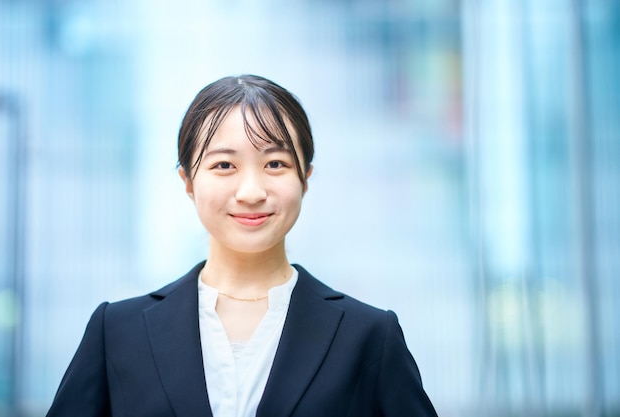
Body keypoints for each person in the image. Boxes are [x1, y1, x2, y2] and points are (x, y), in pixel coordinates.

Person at [46, 75, 438, 417]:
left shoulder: (368, 335)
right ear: (187, 181)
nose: (251, 192)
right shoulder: (117, 332)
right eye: (224, 166)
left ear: (306, 178)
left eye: (275, 164)